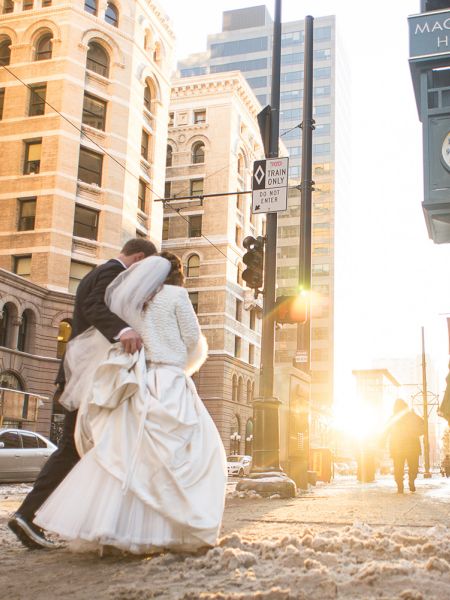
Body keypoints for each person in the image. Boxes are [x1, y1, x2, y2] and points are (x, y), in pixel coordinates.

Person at [33, 252, 227, 554]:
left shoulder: (135, 300)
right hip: (172, 381)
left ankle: (117, 531)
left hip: (141, 381)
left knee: (131, 457)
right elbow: (192, 337)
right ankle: (171, 530)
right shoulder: (177, 295)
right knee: (185, 456)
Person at [8, 238, 157, 549]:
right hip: (87, 378)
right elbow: (93, 306)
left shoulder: (98, 272)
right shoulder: (112, 272)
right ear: (139, 258)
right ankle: (28, 515)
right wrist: (123, 330)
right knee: (75, 448)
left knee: (80, 449)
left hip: (82, 375)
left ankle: (45, 518)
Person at [386, 398, 424, 494]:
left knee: (398, 468)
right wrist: (416, 433)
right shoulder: (413, 416)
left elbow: (385, 431)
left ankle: (400, 485)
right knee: (413, 467)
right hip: (413, 447)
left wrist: (380, 443)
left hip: (397, 447)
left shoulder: (393, 418)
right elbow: (423, 427)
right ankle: (411, 480)